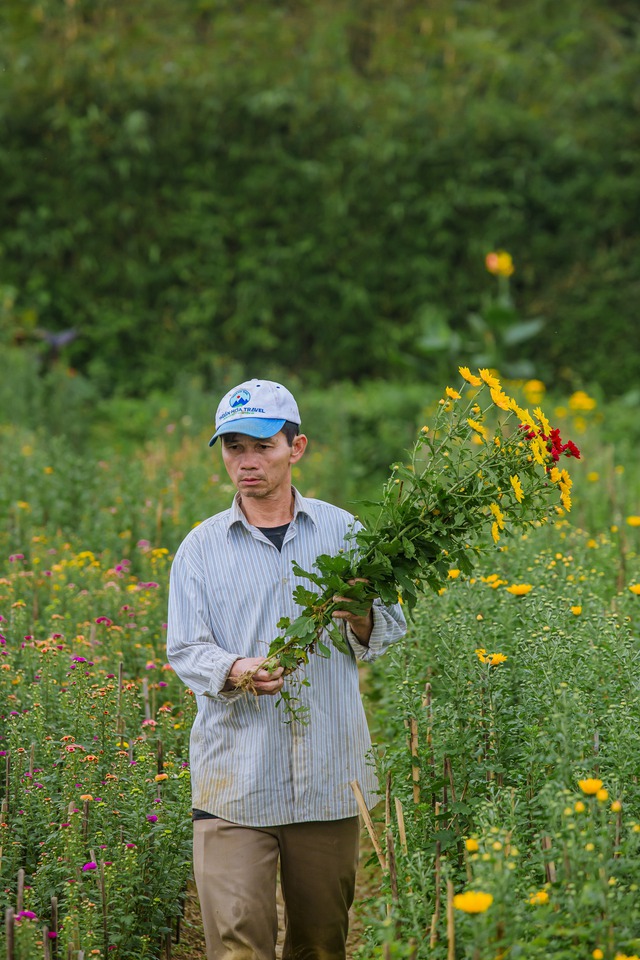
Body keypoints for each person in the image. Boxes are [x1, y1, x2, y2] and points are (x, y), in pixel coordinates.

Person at [166, 378, 406, 960]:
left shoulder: (344, 533)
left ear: (296, 448)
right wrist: (236, 668)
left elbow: (391, 629)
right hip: (236, 785)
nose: (246, 463)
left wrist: (362, 617)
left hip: (327, 781)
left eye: (262, 446)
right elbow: (185, 650)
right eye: (233, 448)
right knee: (239, 943)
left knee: (321, 944)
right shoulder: (201, 549)